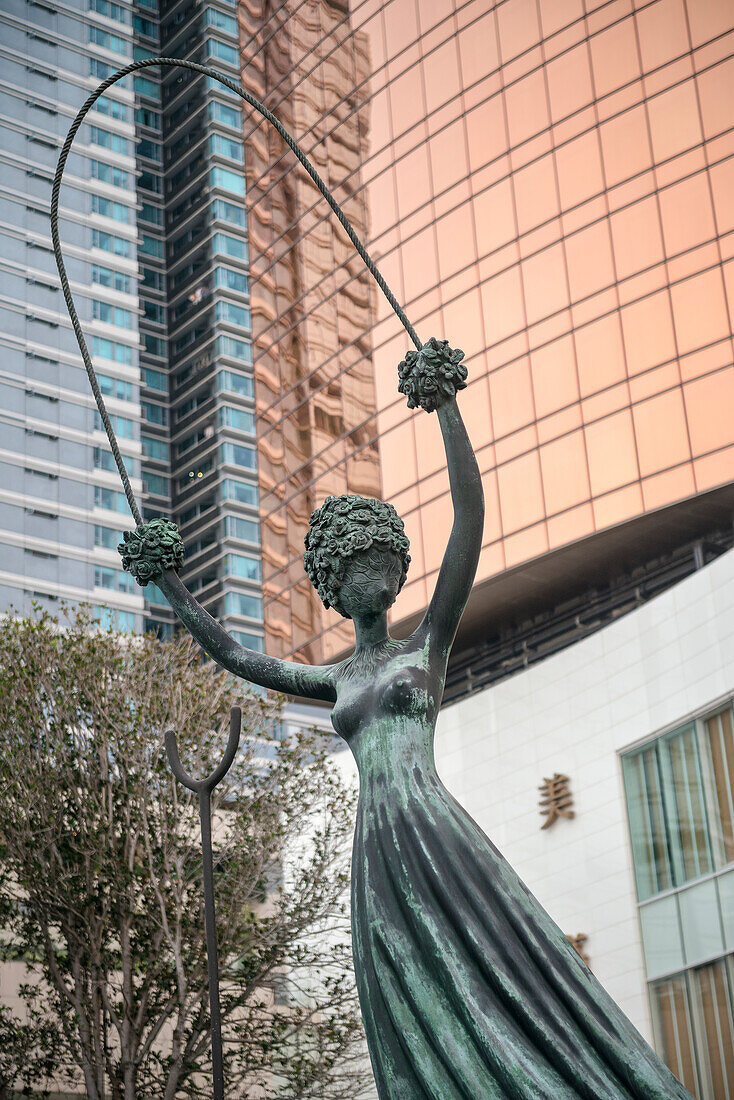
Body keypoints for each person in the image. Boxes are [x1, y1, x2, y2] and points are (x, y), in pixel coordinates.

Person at [121, 339, 691, 1099]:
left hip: (432, 827)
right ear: (334, 585)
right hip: (376, 849)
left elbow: (468, 520)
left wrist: (446, 409)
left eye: (378, 564)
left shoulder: (428, 641)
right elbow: (239, 659)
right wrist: (173, 589)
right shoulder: (334, 678)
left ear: (392, 574)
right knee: (409, 997)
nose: (368, 580)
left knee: (497, 963)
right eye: (350, 569)